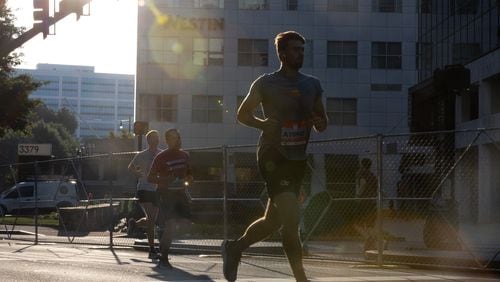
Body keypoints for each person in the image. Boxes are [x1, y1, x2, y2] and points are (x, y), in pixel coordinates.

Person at [222, 31, 328, 282]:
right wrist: (262, 124)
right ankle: (301, 278)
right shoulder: (265, 83)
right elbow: (242, 114)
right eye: (295, 49)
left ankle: (234, 248)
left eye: (302, 49)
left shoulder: (312, 84)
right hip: (273, 155)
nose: (300, 53)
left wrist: (318, 121)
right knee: (291, 219)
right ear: (281, 54)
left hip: (297, 159)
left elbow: (323, 123)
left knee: (273, 221)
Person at [147, 128, 193, 269]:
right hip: (165, 194)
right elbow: (150, 177)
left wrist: (188, 179)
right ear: (167, 140)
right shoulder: (161, 157)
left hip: (180, 194)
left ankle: (163, 236)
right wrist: (165, 179)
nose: (176, 140)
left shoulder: (185, 155)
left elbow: (190, 175)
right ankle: (164, 258)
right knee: (171, 226)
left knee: (185, 223)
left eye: (177, 137)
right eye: (172, 138)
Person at [128, 130, 162, 259]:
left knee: (150, 220)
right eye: (154, 138)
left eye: (157, 138)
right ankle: (152, 250)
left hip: (156, 190)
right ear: (148, 141)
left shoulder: (161, 153)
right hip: (144, 189)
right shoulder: (142, 155)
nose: (157, 140)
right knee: (151, 220)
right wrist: (138, 174)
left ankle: (134, 224)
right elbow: (130, 167)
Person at [354, 158, 378, 251]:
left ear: (362, 164)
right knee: (369, 224)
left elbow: (363, 183)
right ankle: (372, 243)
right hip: (372, 201)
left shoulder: (361, 173)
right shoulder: (372, 176)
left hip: (364, 200)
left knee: (357, 223)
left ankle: (368, 238)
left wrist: (358, 195)